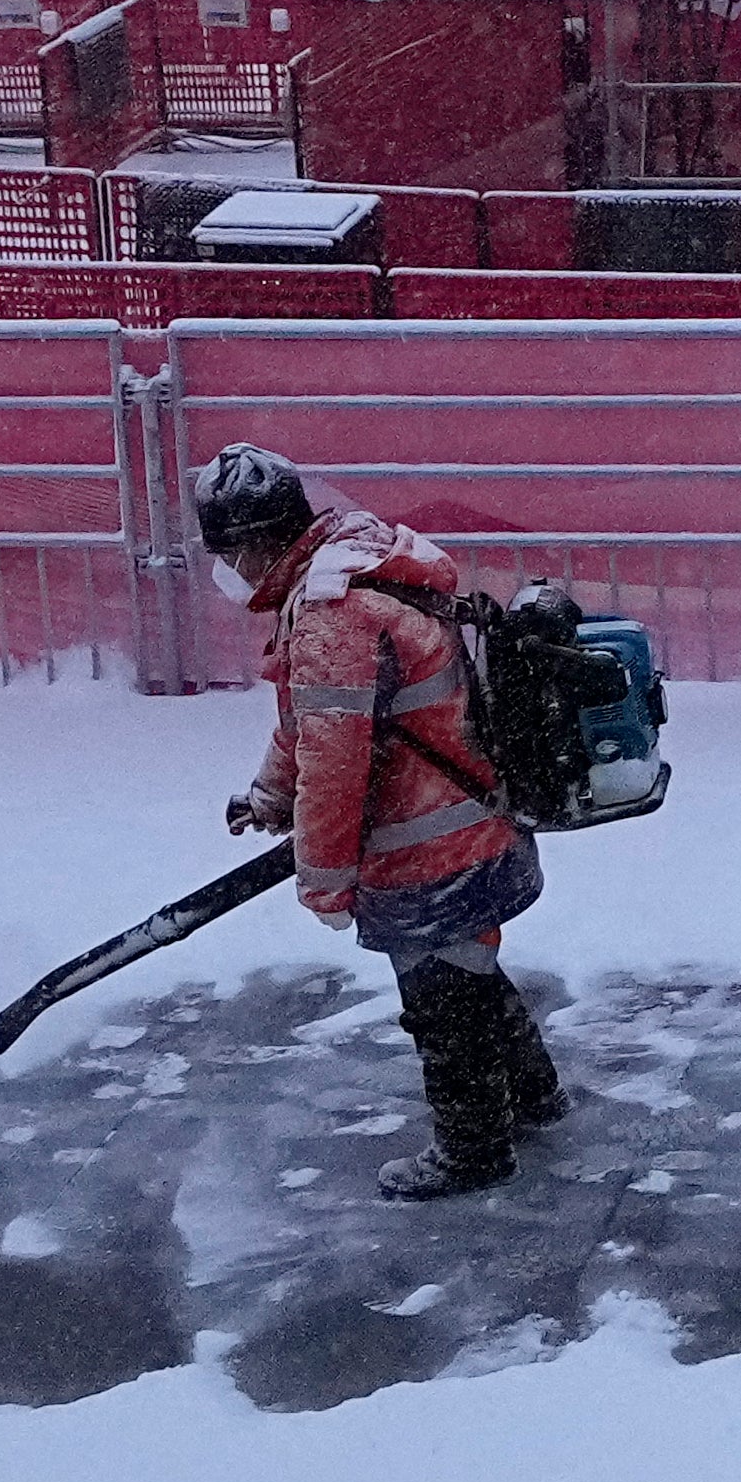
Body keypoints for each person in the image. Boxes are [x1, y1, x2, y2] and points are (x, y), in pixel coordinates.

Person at [197, 443, 561, 1198]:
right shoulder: (359, 568)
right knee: (468, 975)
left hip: (430, 846)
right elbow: (310, 724)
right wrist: (269, 797)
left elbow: (336, 766)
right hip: (470, 822)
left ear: (259, 543)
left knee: (441, 1003)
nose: (231, 573)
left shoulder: (334, 616)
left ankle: (473, 1151)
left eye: (230, 554)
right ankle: (534, 1095)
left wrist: (322, 882)